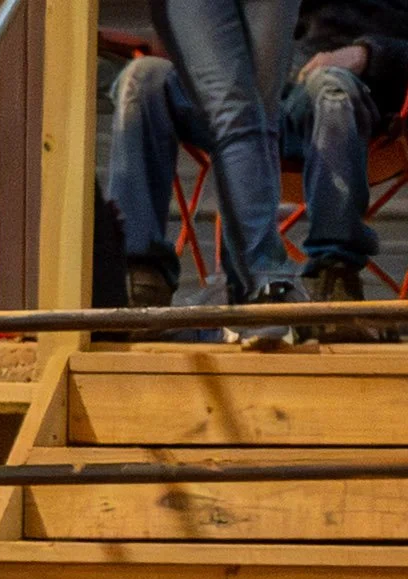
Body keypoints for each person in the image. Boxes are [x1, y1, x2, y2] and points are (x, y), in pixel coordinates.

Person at [109, 1, 305, 345]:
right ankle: (141, 274)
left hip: (298, 101)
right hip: (207, 89)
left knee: (246, 109)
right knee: (143, 79)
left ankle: (254, 286)